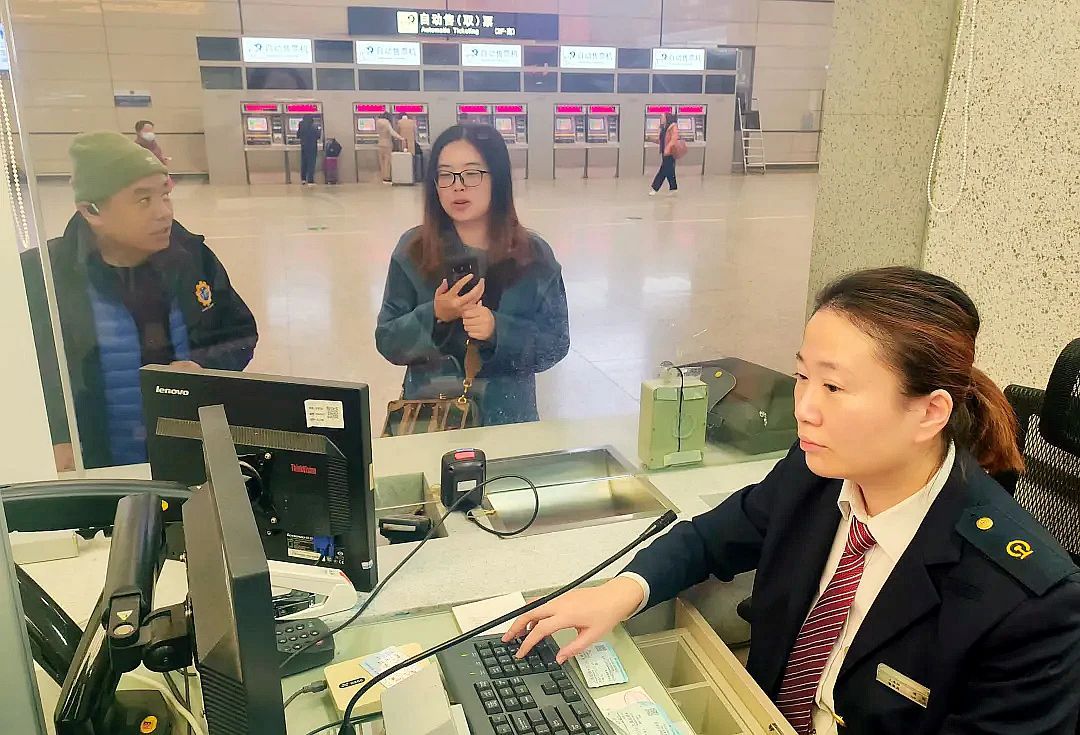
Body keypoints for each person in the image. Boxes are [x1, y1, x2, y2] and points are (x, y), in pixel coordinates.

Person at [505, 267, 1080, 735]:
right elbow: (711, 537)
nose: (805, 406)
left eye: (833, 387)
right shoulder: (818, 475)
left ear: (929, 412)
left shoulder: (1029, 604)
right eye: (802, 376)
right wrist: (621, 592)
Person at [21, 131, 258, 470]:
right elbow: (21, 373)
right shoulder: (43, 275)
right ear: (92, 210)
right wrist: (54, 434)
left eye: (166, 196)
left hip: (187, 456)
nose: (164, 214)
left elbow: (239, 333)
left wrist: (205, 367)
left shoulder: (192, 259)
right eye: (143, 200)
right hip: (93, 467)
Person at [376, 123, 570, 426]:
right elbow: (388, 340)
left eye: (472, 173)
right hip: (431, 421)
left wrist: (498, 330)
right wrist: (435, 315)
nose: (458, 186)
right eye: (445, 174)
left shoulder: (534, 257)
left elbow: (556, 343)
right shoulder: (414, 251)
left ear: (498, 179)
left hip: (506, 421)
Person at [649, 112, 679, 196]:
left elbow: (674, 139)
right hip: (664, 152)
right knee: (670, 171)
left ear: (667, 118)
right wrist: (652, 139)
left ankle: (655, 188)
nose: (661, 119)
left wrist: (667, 148)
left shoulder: (673, 126)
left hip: (670, 152)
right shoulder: (664, 127)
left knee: (663, 170)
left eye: (662, 117)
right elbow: (661, 140)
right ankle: (674, 188)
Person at [375, 112, 404, 183]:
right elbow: (392, 132)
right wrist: (401, 138)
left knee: (381, 162)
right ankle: (387, 178)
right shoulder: (387, 122)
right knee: (387, 162)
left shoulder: (377, 122)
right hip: (387, 144)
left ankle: (383, 177)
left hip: (380, 144)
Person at [297, 114, 321, 186]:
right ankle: (310, 180)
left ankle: (303, 179)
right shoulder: (315, 126)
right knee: (311, 163)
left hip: (304, 146)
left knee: (304, 162)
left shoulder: (301, 125)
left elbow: (298, 135)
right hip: (312, 146)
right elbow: (318, 136)